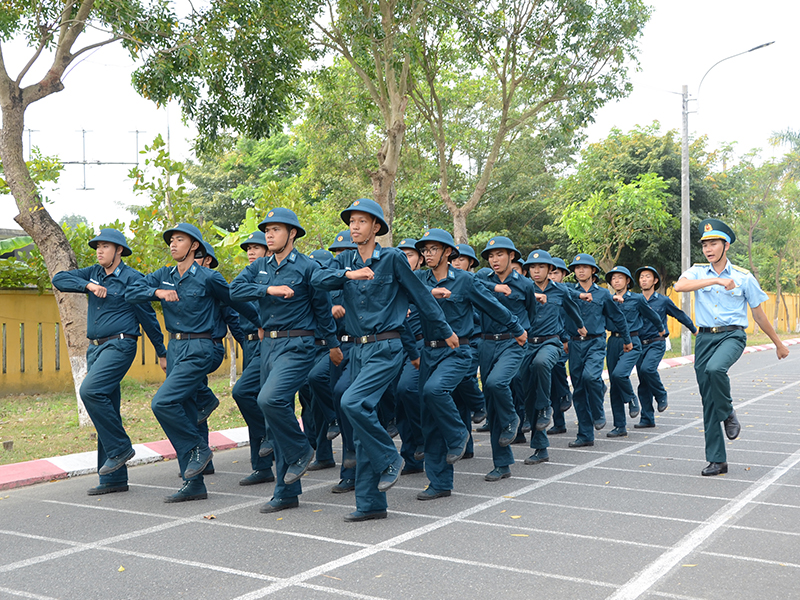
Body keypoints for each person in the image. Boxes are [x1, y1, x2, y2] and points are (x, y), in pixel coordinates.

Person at [311, 198, 457, 522]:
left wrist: (444, 329)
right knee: (364, 418)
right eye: (351, 222)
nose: (354, 227)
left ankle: (391, 457)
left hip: (386, 347)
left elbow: (420, 296)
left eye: (361, 222)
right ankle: (371, 503)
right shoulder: (345, 261)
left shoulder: (391, 259)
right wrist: (348, 275)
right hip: (358, 350)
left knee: (351, 402)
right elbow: (316, 282)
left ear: (376, 227)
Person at [127, 223, 257, 502]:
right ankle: (194, 483)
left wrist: (262, 326)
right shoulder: (164, 276)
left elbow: (236, 303)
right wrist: (156, 293)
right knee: (184, 411)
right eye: (171, 240)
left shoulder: (210, 278)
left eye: (179, 239)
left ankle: (199, 447)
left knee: (162, 402)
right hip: (175, 347)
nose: (173, 244)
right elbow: (130, 292)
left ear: (194, 245)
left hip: (202, 346)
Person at [230, 208, 341, 512]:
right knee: (274, 414)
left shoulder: (307, 266)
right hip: (269, 346)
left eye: (276, 229)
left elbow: (322, 307)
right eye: (267, 230)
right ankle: (286, 493)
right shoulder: (261, 266)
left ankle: (302, 449)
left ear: (292, 233)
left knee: (270, 399)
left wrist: (331, 344)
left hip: (298, 343)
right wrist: (267, 288)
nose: (269, 234)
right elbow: (234, 289)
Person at [52, 228, 167, 496]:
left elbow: (148, 318)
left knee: (90, 391)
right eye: (97, 246)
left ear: (119, 251)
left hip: (121, 344)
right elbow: (59, 279)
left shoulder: (132, 279)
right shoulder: (92, 273)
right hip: (96, 349)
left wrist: (162, 352)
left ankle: (120, 448)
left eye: (105, 246)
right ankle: (113, 479)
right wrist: (88, 285)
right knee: (107, 406)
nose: (99, 251)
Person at [673, 219, 789, 476]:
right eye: (705, 245)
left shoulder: (743, 277)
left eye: (713, 243)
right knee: (708, 402)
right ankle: (717, 460)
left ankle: (728, 412)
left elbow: (759, 315)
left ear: (726, 245)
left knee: (716, 370)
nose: (708, 249)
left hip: (732, 336)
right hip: (704, 339)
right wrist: (713, 282)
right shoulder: (697, 272)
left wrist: (778, 344)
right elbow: (679, 286)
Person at [414, 229, 524, 499]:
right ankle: (439, 483)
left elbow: (491, 306)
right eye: (424, 250)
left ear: (448, 252)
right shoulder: (418, 279)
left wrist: (517, 327)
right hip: (428, 352)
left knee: (434, 391)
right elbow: (402, 293)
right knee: (428, 417)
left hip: (457, 351)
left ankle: (458, 434)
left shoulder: (464, 280)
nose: (427, 254)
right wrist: (430, 292)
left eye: (433, 249)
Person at [475, 236, 532, 481]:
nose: (494, 259)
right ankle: (502, 463)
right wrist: (494, 287)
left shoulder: (525, 284)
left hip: (513, 341)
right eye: (490, 255)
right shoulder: (481, 279)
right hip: (487, 342)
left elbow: (532, 313)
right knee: (492, 402)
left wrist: (522, 334)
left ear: (512, 256)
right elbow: (470, 285)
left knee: (496, 383)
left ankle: (512, 419)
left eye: (499, 254)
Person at [520, 250, 586, 464]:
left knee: (541, 364)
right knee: (527, 394)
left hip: (551, 342)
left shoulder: (560, 290)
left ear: (550, 270)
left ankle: (546, 405)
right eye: (532, 267)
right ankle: (541, 449)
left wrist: (580, 326)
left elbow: (572, 308)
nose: (536, 271)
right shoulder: (524, 289)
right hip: (527, 344)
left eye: (540, 267)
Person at [565, 254, 628, 448]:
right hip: (575, 344)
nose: (580, 270)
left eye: (585, 267)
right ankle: (585, 434)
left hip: (596, 342)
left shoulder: (602, 294)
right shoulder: (568, 291)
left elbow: (617, 317)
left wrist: (627, 339)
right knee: (579, 389)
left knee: (591, 377)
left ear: (593, 271)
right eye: (577, 267)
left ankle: (598, 411)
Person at [230, 231, 275, 486]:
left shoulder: (270, 276)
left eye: (256, 247)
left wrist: (260, 325)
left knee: (250, 394)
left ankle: (277, 440)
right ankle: (262, 467)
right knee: (254, 401)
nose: (250, 252)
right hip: (250, 345)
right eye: (248, 248)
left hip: (268, 343)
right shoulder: (247, 278)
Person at [604, 266, 665, 438]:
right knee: (614, 385)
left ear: (628, 281)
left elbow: (652, 315)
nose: (616, 281)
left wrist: (661, 329)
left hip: (632, 341)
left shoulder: (637, 299)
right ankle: (619, 426)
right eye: (613, 278)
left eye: (620, 278)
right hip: (614, 341)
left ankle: (631, 398)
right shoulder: (608, 299)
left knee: (619, 374)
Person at [633, 265, 696, 427]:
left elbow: (679, 315)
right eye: (641, 277)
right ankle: (647, 418)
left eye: (647, 276)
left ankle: (661, 394)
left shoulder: (663, 300)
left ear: (655, 281)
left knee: (648, 369)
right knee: (643, 383)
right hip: (639, 344)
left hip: (657, 342)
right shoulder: (635, 300)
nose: (644, 279)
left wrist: (694, 330)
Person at [546, 257, 574, 435]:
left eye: (555, 273)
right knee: (550, 382)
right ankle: (559, 422)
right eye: (550, 273)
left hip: (568, 339)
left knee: (557, 367)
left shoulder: (568, 291)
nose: (552, 276)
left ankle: (566, 393)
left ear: (564, 274)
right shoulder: (541, 293)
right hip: (550, 339)